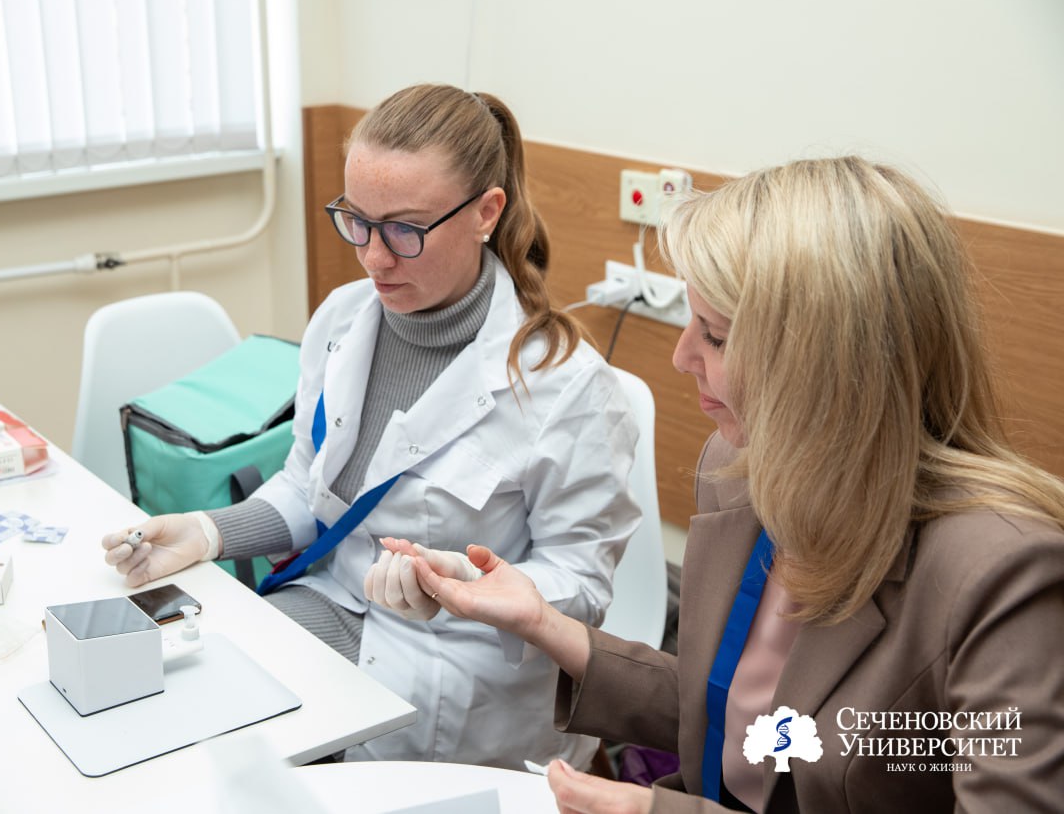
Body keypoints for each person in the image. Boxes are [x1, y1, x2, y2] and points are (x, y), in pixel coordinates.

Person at [409, 156, 1064, 812]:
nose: (681, 356)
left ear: (830, 363)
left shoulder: (1001, 577)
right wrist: (542, 622)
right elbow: (738, 714)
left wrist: (659, 810)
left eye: (716, 337)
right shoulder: (743, 470)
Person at [102, 83, 641, 769]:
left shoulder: (569, 388)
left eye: (405, 230)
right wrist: (209, 531)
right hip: (336, 604)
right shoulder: (343, 318)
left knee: (233, 750)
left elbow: (581, 586)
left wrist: (465, 584)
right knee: (175, 718)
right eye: (357, 221)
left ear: (486, 212)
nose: (374, 257)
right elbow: (311, 487)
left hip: (460, 664)